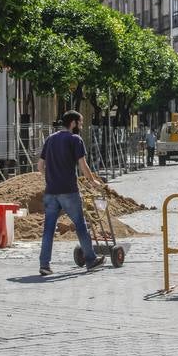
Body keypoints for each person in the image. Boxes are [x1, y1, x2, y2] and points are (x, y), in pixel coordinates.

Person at [37, 111, 106, 276]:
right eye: (80, 123)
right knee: (81, 225)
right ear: (73, 123)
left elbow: (40, 166)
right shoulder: (75, 140)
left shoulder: (50, 139)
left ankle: (44, 265)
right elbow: (83, 165)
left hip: (51, 191)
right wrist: (92, 181)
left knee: (48, 229)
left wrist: (50, 179)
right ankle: (90, 260)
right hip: (68, 190)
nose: (81, 126)